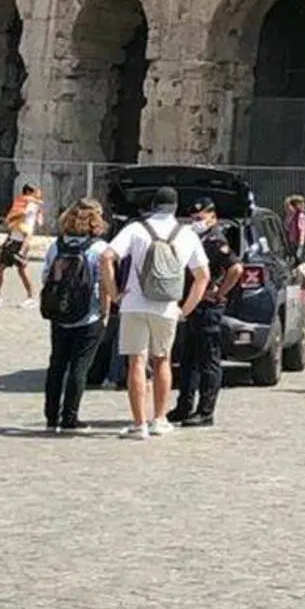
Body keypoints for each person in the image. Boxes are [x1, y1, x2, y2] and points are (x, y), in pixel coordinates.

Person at [104, 186, 211, 440]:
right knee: (162, 359)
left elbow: (107, 257)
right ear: (176, 208)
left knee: (136, 362)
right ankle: (159, 419)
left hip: (133, 303)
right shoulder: (186, 235)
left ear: (152, 206)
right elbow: (202, 276)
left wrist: (114, 293)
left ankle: (139, 424)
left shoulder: (135, 229)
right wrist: (185, 309)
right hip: (167, 306)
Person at [39, 199, 116, 433]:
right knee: (79, 367)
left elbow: (45, 277)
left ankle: (51, 416)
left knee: (57, 364)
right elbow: (103, 285)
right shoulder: (100, 249)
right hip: (88, 315)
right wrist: (105, 311)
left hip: (59, 314)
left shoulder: (56, 246)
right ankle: (70, 416)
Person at [168, 198, 241, 428]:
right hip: (192, 306)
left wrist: (220, 292)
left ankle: (205, 411)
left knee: (208, 360)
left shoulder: (216, 240)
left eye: (200, 218)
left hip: (208, 309)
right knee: (188, 360)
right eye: (193, 218)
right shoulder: (194, 238)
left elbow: (236, 268)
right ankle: (184, 406)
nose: (196, 221)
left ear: (213, 217)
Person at [0, 182, 43, 308]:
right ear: (29, 191)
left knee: (22, 270)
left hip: (21, 241)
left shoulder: (31, 204)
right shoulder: (23, 202)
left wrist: (9, 219)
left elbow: (22, 215)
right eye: (35, 192)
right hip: (13, 239)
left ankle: (31, 297)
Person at [283, 195, 305, 266]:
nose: (304, 205)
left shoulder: (300, 216)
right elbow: (286, 227)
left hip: (298, 242)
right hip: (291, 242)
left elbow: (302, 231)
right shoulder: (292, 216)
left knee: (298, 261)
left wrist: (301, 245)